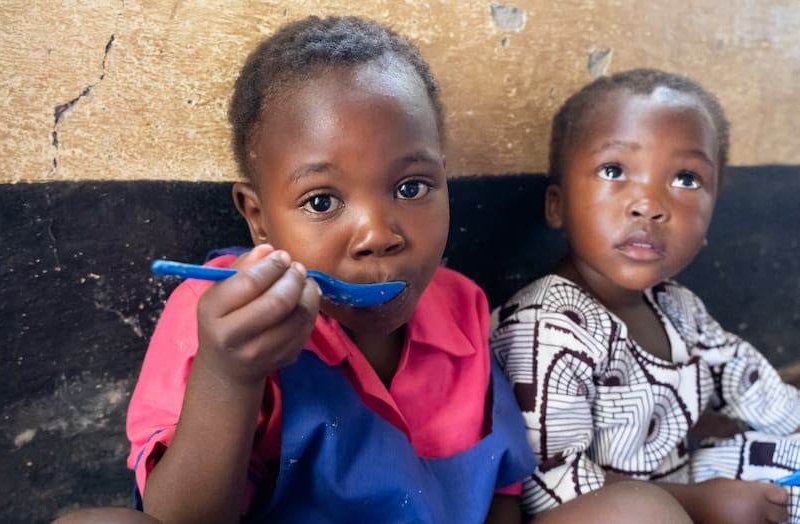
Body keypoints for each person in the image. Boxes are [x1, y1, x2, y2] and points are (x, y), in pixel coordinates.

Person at [52, 20, 696, 524]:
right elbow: (180, 522)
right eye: (322, 202)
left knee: (642, 509)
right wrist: (230, 377)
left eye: (412, 187)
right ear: (258, 219)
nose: (379, 235)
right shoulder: (218, 317)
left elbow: (502, 487)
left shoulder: (463, 309)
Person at [490, 67, 800, 523]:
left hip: (679, 483)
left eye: (687, 180)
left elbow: (751, 385)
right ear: (556, 205)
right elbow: (550, 486)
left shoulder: (679, 309)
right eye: (614, 170)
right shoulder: (547, 327)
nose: (650, 205)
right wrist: (702, 504)